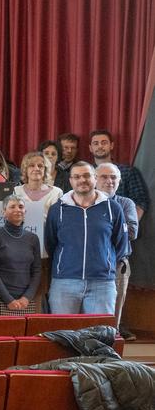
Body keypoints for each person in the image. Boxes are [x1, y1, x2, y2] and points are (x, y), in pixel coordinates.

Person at [45, 162, 127, 314]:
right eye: (77, 177)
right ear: (71, 181)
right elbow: (51, 243)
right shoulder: (57, 209)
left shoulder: (113, 208)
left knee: (99, 329)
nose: (82, 180)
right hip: (64, 282)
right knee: (62, 329)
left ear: (95, 178)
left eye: (87, 175)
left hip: (102, 283)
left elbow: (120, 244)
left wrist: (104, 265)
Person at [95, 163, 139, 337]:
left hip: (118, 265)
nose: (109, 181)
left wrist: (101, 227)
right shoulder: (86, 203)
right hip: (91, 264)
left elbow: (132, 232)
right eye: (104, 177)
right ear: (95, 179)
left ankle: (111, 347)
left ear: (119, 181)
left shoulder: (126, 203)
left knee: (113, 316)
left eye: (113, 177)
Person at [0, 195, 41, 315]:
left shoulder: (33, 238)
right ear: (4, 212)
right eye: (12, 207)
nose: (17, 209)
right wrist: (8, 299)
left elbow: (37, 270)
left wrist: (27, 297)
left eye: (21, 207)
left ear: (25, 211)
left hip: (26, 302)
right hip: (1, 301)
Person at [89, 129, 149, 219]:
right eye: (96, 143)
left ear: (111, 145)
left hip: (121, 222)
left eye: (104, 143)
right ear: (90, 148)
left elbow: (141, 201)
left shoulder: (128, 171)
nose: (100, 146)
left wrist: (128, 224)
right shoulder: (86, 174)